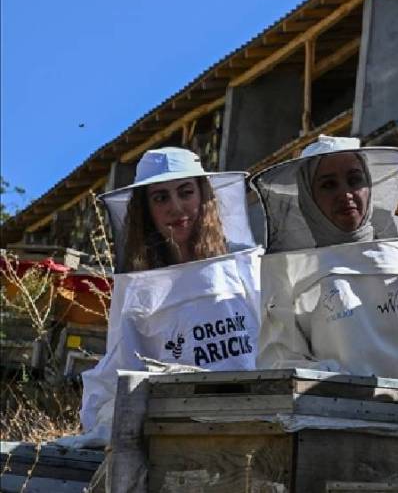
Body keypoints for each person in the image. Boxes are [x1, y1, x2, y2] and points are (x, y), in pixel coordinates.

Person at [252, 135, 398, 484]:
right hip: (337, 445)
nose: (345, 193)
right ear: (308, 197)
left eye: (355, 180)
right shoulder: (290, 273)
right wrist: (337, 388)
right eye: (328, 184)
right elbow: (281, 360)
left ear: (370, 185)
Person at [61, 147, 262, 448]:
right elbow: (122, 363)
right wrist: (103, 422)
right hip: (173, 431)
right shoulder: (139, 287)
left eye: (185, 192)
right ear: (147, 210)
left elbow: (275, 340)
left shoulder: (247, 263)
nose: (176, 207)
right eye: (161, 198)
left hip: (255, 420)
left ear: (203, 196)